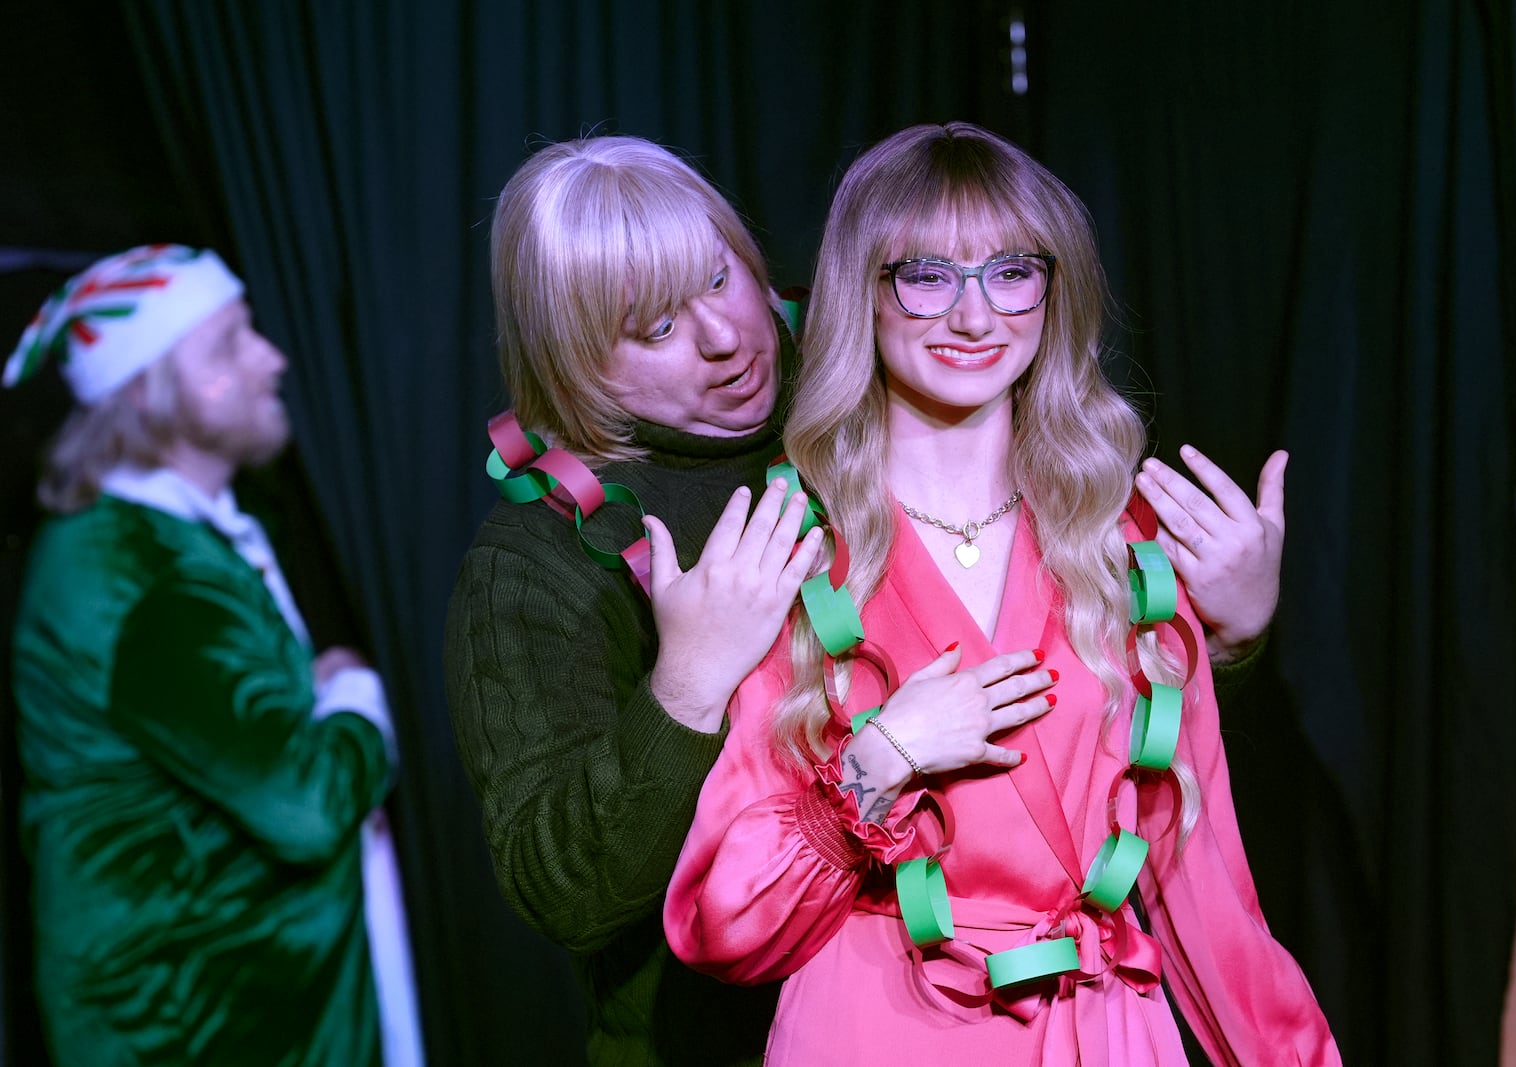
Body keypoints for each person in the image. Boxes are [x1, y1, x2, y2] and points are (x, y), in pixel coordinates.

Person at [447, 134, 1289, 1066]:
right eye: (654, 328)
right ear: (572, 364)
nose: (725, 338)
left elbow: (1083, 744)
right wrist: (685, 686)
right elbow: (562, 891)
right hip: (717, 1036)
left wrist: (1228, 632)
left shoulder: (887, 379)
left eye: (721, 279)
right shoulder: (541, 562)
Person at [663, 123, 1338, 1065]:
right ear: (865, 289)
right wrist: (884, 754)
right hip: (875, 1034)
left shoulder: (1127, 543)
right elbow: (722, 926)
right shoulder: (793, 551)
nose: (974, 317)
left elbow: (1206, 887)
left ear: (1054, 294)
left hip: (1102, 1035)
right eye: (927, 274)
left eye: (1011, 272)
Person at [5, 244, 421, 1066]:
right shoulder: (138, 569)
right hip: (193, 1021)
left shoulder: (180, 534)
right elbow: (305, 805)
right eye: (230, 342)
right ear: (148, 391)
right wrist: (355, 697)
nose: (272, 358)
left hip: (247, 1008)